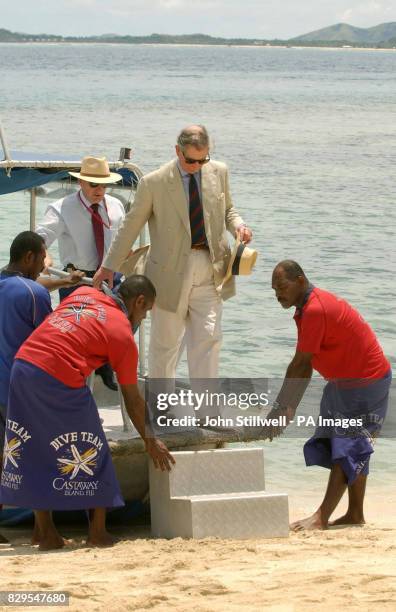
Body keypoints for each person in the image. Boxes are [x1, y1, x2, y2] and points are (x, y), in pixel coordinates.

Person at [0, 275, 174, 550]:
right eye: (147, 310)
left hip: (23, 367)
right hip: (58, 375)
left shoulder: (83, 293)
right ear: (139, 301)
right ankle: (97, 534)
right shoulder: (122, 333)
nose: (144, 317)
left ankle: (44, 533)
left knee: (33, 448)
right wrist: (150, 440)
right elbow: (133, 400)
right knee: (92, 449)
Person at [93, 125, 253, 380]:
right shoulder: (153, 182)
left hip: (212, 267)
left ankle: (207, 413)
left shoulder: (219, 171)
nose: (197, 166)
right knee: (165, 345)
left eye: (203, 160)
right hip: (168, 272)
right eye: (191, 160)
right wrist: (108, 266)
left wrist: (239, 226)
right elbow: (130, 226)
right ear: (177, 151)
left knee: (209, 340)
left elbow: (228, 210)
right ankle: (160, 410)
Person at [269, 260, 391, 531]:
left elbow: (301, 364)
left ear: (301, 281)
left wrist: (281, 408)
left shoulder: (314, 309)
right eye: (274, 289)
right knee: (351, 446)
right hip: (342, 383)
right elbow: (303, 364)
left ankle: (321, 517)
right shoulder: (306, 308)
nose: (278, 293)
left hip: (365, 383)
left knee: (347, 446)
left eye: (282, 286)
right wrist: (286, 408)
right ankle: (355, 514)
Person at [0, 231, 83, 543]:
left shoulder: (8, 284)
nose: (42, 269)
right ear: (29, 257)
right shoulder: (33, 294)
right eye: (41, 260)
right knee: (36, 456)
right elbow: (52, 342)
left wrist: (63, 282)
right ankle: (44, 531)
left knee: (3, 457)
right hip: (18, 391)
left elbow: (29, 287)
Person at [36, 155, 126, 390]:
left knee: (128, 319)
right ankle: (77, 380)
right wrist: (45, 256)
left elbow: (122, 240)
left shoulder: (116, 205)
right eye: (94, 184)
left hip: (111, 276)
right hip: (77, 279)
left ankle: (105, 362)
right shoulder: (61, 208)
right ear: (81, 183)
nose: (100, 189)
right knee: (77, 337)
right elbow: (39, 239)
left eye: (104, 184)